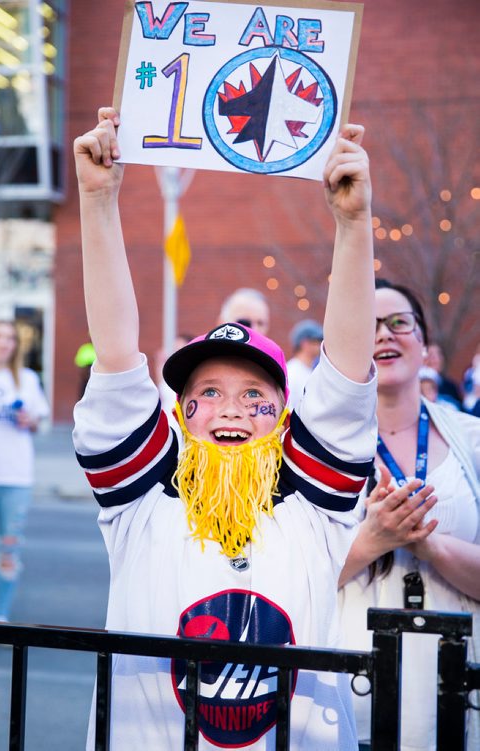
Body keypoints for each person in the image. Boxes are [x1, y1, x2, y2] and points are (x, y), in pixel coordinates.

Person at [72, 106, 377, 750]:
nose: (232, 408)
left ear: (285, 413)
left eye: (254, 394)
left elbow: (348, 375)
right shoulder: (144, 499)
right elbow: (119, 354)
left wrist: (353, 227)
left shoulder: (313, 505)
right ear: (180, 412)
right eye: (207, 392)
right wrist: (99, 204)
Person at [337, 279, 480, 751]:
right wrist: (373, 538)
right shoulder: (316, 446)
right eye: (368, 325)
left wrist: (429, 544)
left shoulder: (473, 441)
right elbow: (289, 575)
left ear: (425, 346)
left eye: (400, 323)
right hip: (346, 694)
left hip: (454, 694)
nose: (384, 334)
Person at [0, 320, 49, 655]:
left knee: (8, 551)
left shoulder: (27, 380)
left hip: (16, 476)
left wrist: (29, 421)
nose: (4, 343)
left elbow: (39, 421)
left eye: (9, 338)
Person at [287, 319, 324, 409]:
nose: (321, 344)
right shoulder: (291, 372)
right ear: (305, 343)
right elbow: (287, 408)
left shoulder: (311, 371)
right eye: (318, 340)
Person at [425, 342, 462, 410]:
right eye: (430, 355)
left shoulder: (450, 387)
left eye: (438, 355)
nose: (434, 359)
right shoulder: (414, 385)